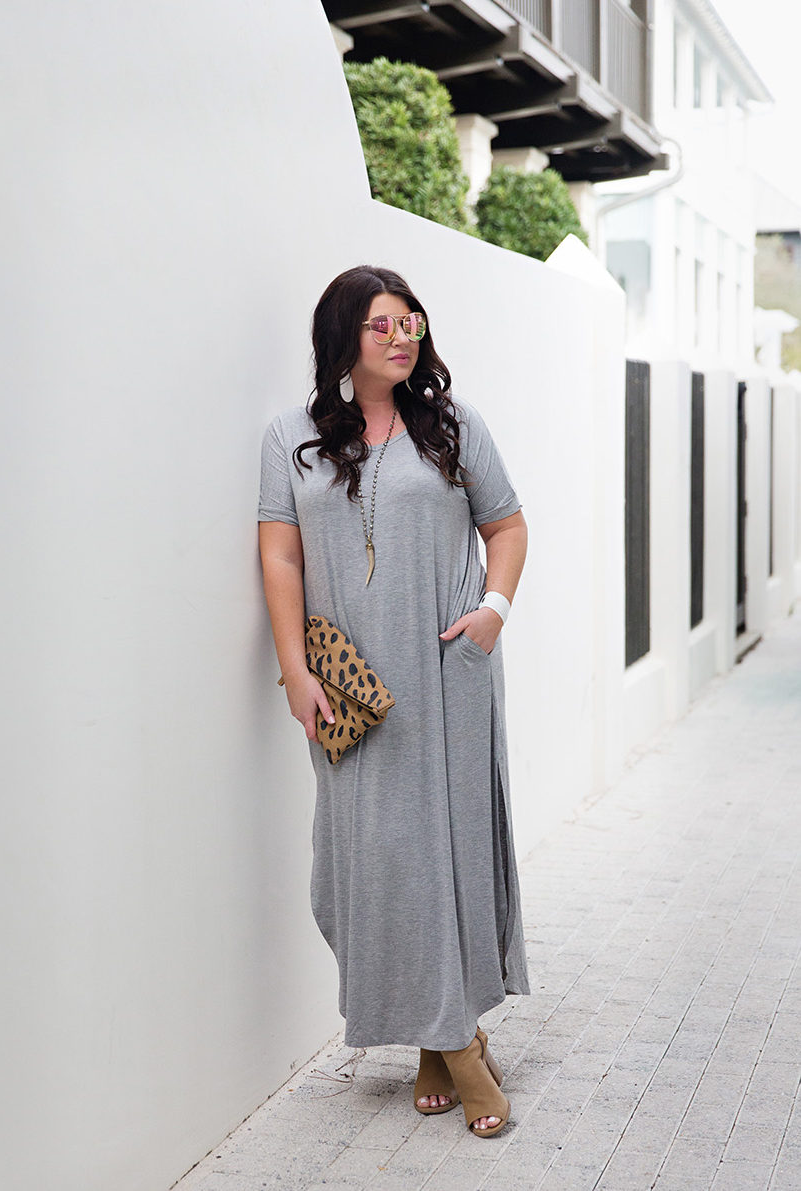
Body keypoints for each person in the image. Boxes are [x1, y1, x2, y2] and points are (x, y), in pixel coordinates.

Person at [257, 265, 530, 1138]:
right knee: (371, 869)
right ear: (343, 337)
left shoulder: (453, 424)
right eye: (382, 325)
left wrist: (493, 609)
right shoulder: (290, 437)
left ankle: (448, 1044)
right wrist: (296, 670)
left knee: (442, 858)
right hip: (350, 693)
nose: (403, 335)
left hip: (449, 676)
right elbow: (281, 558)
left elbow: (508, 525)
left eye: (410, 320)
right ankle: (451, 1038)